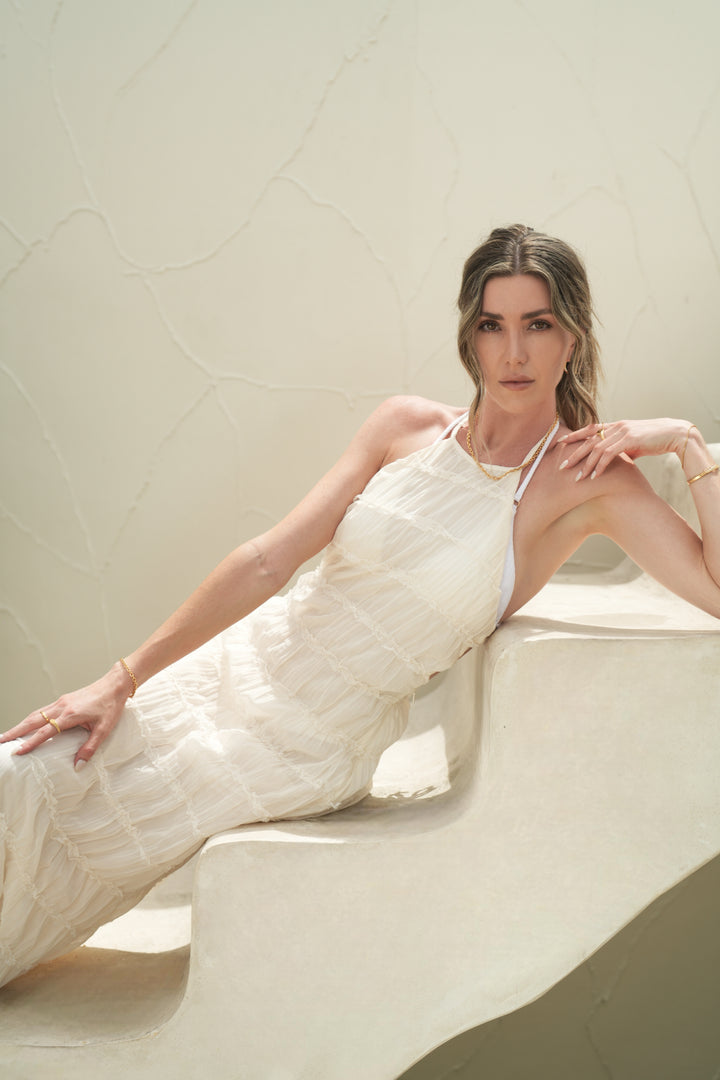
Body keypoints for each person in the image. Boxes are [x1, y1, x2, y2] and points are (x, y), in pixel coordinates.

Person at [1, 224, 719, 988]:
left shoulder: (584, 483)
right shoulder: (405, 426)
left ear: (571, 336)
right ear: (468, 338)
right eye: (492, 324)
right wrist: (123, 676)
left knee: (83, 837)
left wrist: (686, 441)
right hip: (236, 672)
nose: (514, 353)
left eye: (537, 325)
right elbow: (269, 558)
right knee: (20, 772)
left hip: (307, 743)